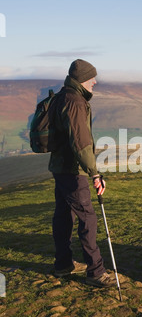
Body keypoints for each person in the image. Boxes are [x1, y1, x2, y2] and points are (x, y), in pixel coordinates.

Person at [48, 59, 114, 288]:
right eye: (91, 78)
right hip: (72, 170)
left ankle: (63, 264)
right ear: (81, 80)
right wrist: (94, 173)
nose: (95, 82)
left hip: (60, 167)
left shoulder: (61, 97)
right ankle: (95, 272)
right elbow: (81, 142)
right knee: (88, 217)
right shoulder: (75, 101)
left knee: (64, 216)